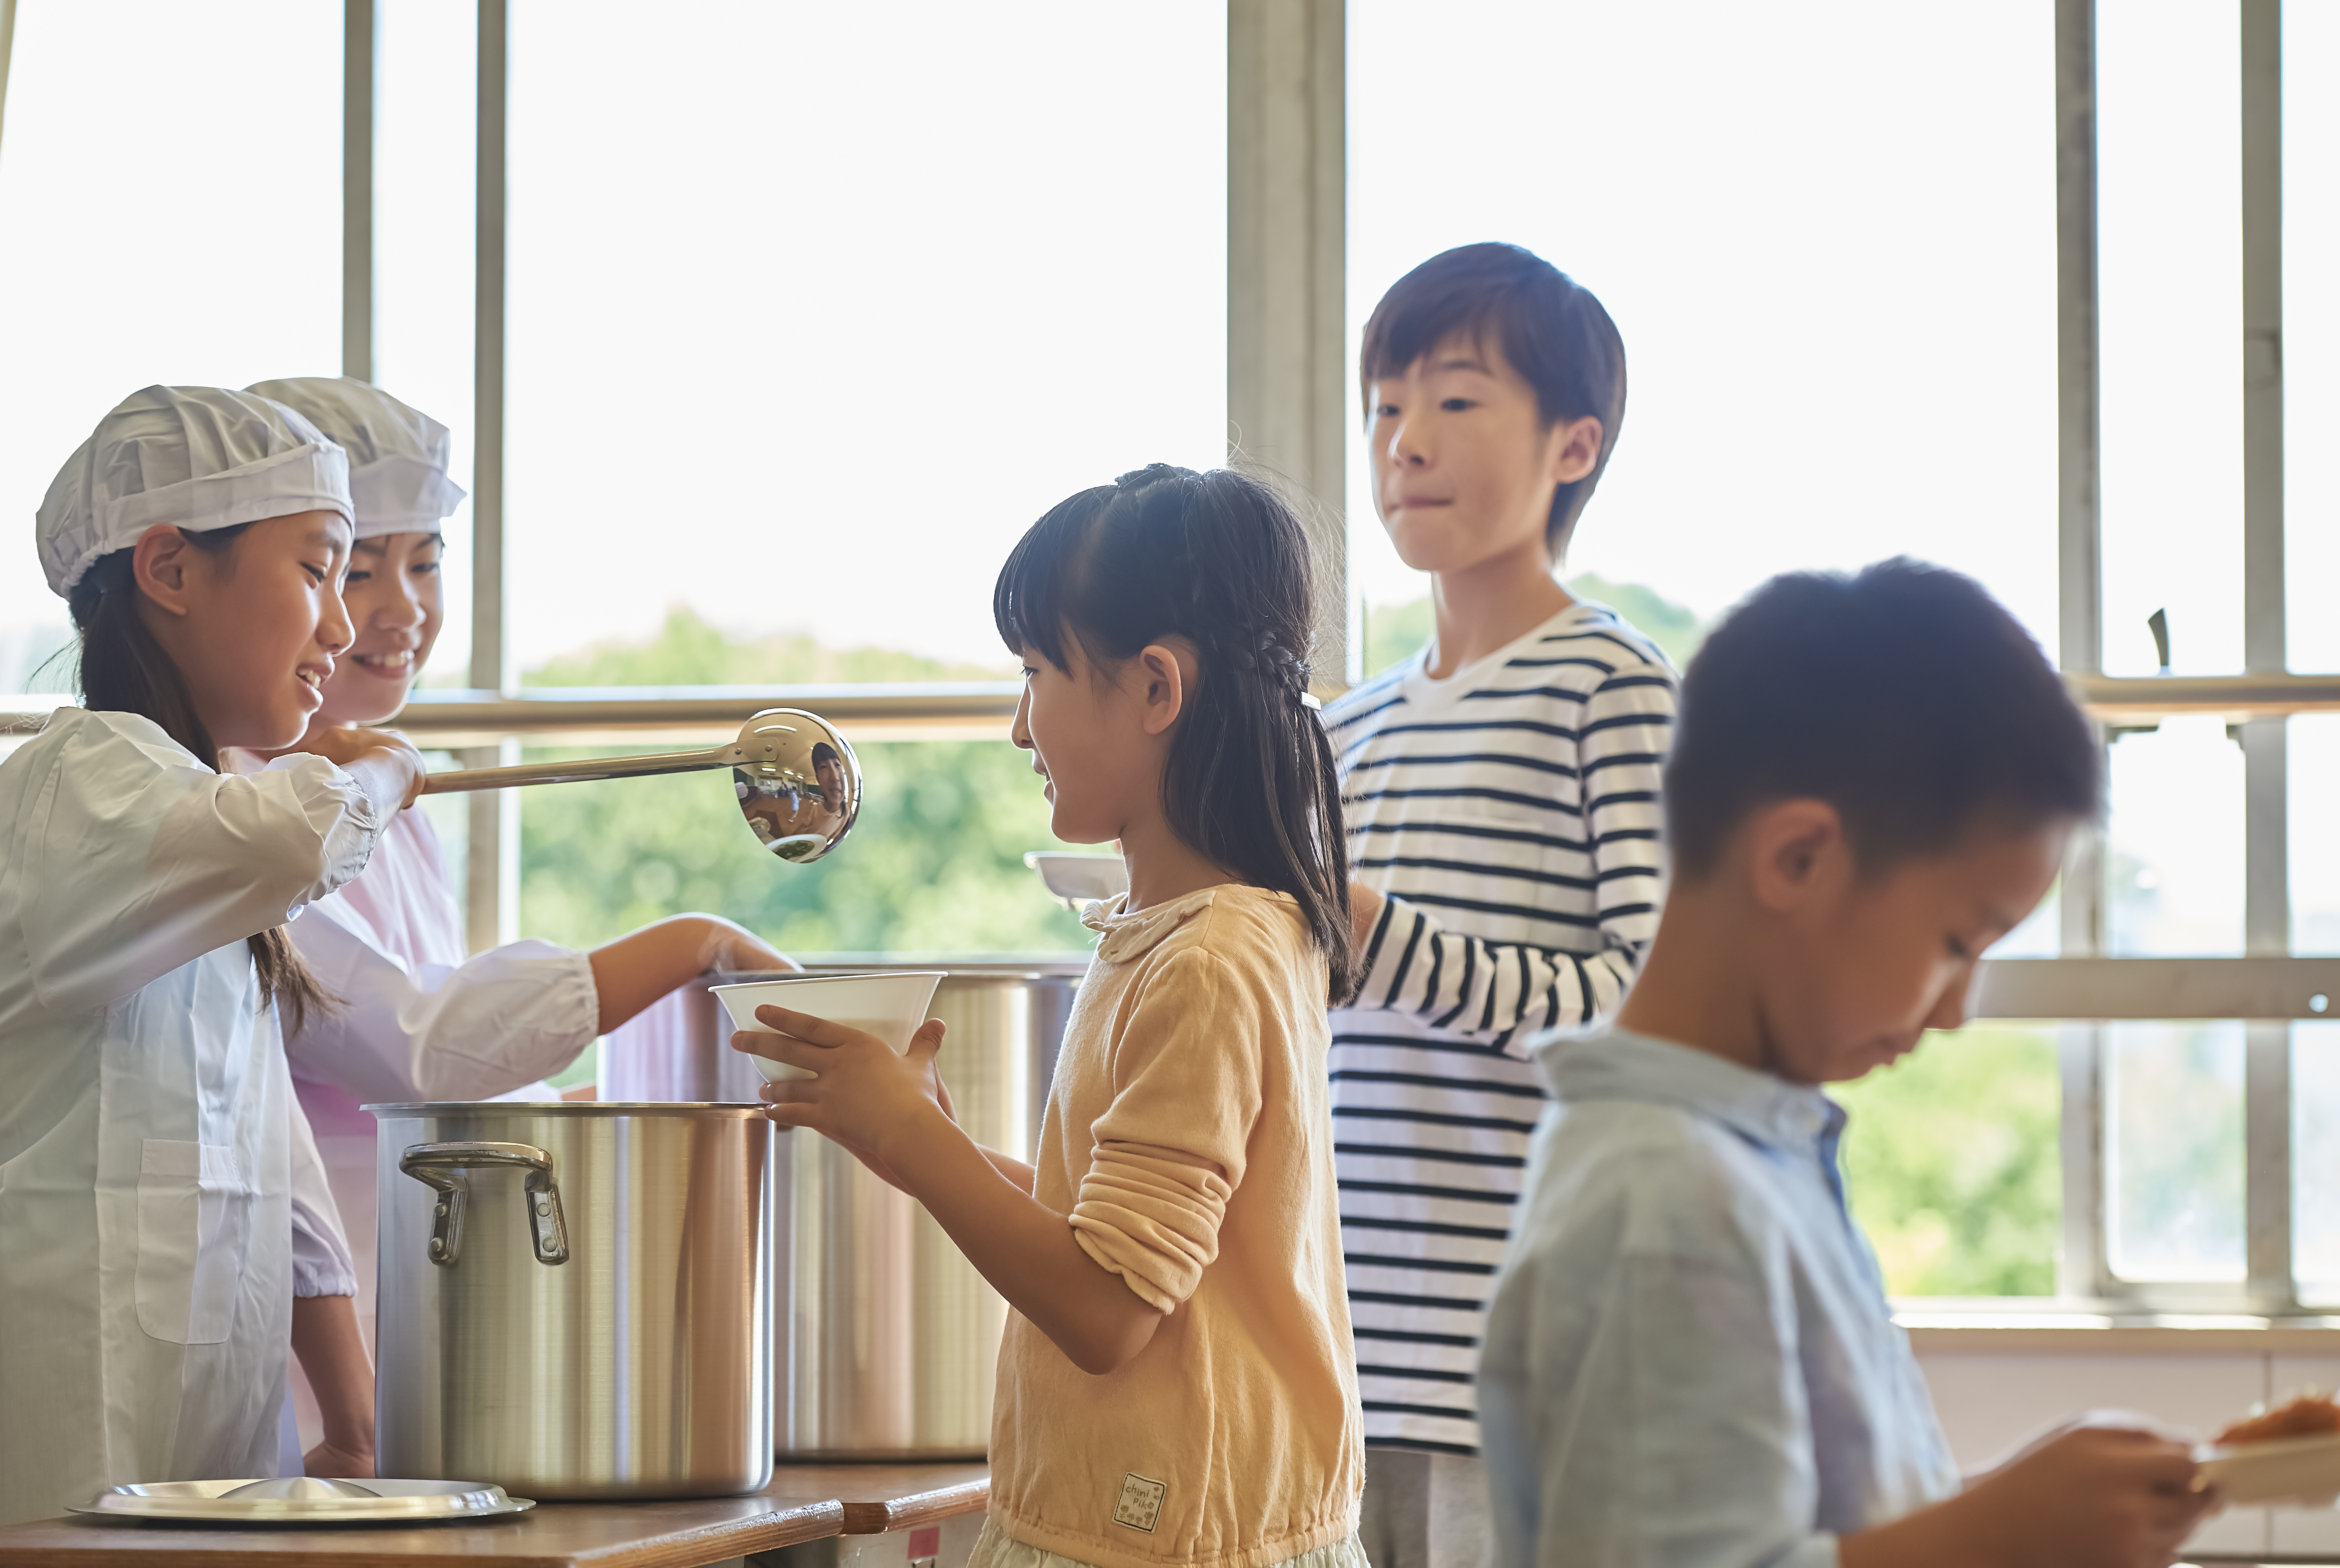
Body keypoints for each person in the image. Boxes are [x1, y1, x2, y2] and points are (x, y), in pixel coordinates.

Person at [1478, 560, 2217, 1568]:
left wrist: (2036, 1514)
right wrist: (1990, 1541)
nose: (1957, 1009)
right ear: (1797, 861)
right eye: (1960, 941)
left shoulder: (1742, 1156)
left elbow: (1790, 1528)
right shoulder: (1663, 1197)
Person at [738, 466, 1365, 1568]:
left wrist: (917, 1141)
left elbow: (1110, 1311)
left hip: (1171, 1540)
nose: (1018, 725)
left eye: (1034, 671)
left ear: (1158, 689)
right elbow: (1140, 1245)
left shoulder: (1209, 959)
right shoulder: (1186, 931)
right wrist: (925, 1143)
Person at [240, 376, 800, 1423]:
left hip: (406, 1301)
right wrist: (692, 942)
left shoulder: (395, 804)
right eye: (352, 569)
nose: (400, 608)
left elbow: (429, 1075)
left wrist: (612, 1112)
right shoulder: (246, 812)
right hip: (303, 1356)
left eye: (426, 563)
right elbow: (416, 1047)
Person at [0, 386, 426, 1523]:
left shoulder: (191, 819)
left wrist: (353, 1412)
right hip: (56, 1441)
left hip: (209, 1438)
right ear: (171, 571)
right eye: (320, 568)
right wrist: (376, 770)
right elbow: (294, 832)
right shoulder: (83, 786)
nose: (341, 627)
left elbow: (274, 1159)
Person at [1319, 241, 1675, 1562]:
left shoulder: (1610, 685)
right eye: (1383, 405)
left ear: (1572, 445)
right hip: (1340, 1363)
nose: (1404, 441)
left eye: (1455, 400)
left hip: (1532, 1372)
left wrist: (1390, 946)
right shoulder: (1338, 730)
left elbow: (1650, 1016)